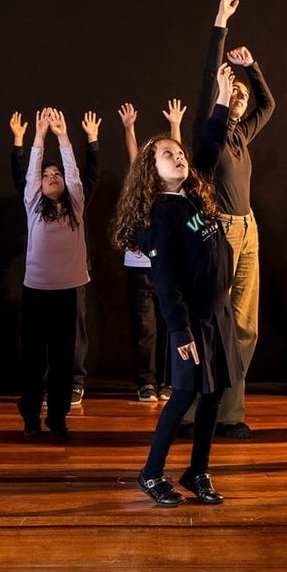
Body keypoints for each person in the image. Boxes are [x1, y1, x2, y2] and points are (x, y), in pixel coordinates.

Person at [109, 95, 240, 507]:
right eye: (168, 154)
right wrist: (181, 329)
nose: (179, 157)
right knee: (184, 395)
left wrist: (220, 100)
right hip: (192, 321)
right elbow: (165, 283)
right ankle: (151, 474)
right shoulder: (160, 214)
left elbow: (213, 143)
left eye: (179, 152)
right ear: (152, 170)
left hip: (218, 314)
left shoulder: (194, 196)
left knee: (215, 393)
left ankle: (197, 469)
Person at [193, 0, 274, 439]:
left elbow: (269, 105)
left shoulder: (242, 135)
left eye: (241, 97)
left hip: (248, 229)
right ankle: (191, 413)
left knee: (245, 326)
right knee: (210, 322)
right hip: (217, 230)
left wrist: (252, 69)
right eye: (233, 96)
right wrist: (220, 21)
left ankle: (229, 414)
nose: (239, 99)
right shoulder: (208, 136)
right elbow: (208, 81)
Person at [10, 108, 99, 412]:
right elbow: (32, 169)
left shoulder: (75, 205)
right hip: (37, 289)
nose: (50, 177)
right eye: (46, 176)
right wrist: (38, 136)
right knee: (36, 352)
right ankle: (35, 407)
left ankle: (62, 406)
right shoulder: (33, 203)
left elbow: (74, 173)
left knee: (66, 350)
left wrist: (62, 136)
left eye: (55, 174)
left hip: (70, 288)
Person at [117, 98, 185, 402]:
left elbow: (177, 154)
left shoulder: (174, 187)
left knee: (171, 323)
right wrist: (129, 128)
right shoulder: (142, 189)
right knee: (145, 327)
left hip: (169, 268)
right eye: (164, 154)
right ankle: (146, 381)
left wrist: (175, 125)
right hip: (139, 267)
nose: (173, 157)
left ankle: (169, 381)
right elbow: (135, 159)